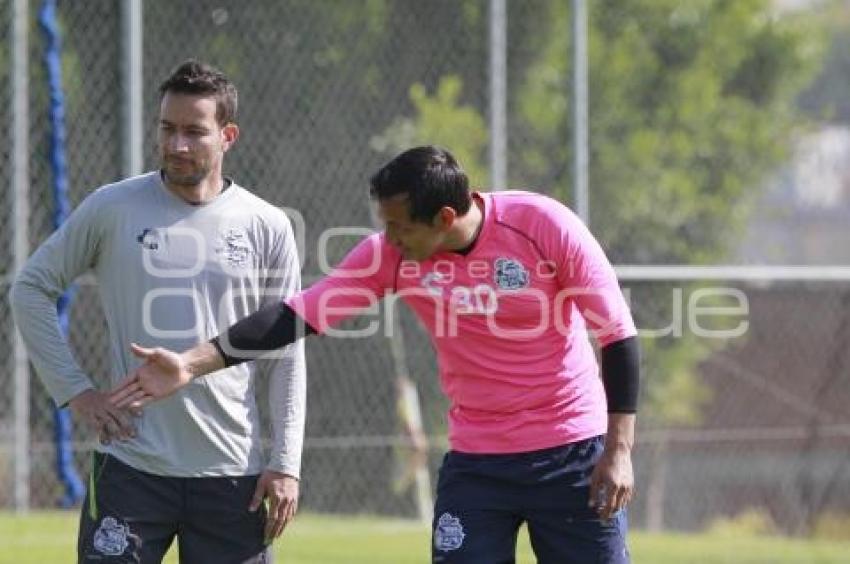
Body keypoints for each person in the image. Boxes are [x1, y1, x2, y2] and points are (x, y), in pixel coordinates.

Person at [111, 145, 640, 563]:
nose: (388, 238)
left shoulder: (543, 226)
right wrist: (191, 364)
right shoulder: (393, 255)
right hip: (477, 461)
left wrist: (617, 452)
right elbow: (297, 315)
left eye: (399, 225)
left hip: (571, 455)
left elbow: (616, 335)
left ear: (446, 216)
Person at [11, 60, 305, 563]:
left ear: (227, 135)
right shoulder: (112, 207)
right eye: (167, 129)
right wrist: (77, 393)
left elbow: (286, 350)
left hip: (232, 475)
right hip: (129, 469)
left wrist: (285, 462)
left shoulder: (267, 224)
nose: (176, 145)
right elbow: (31, 287)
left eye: (194, 132)